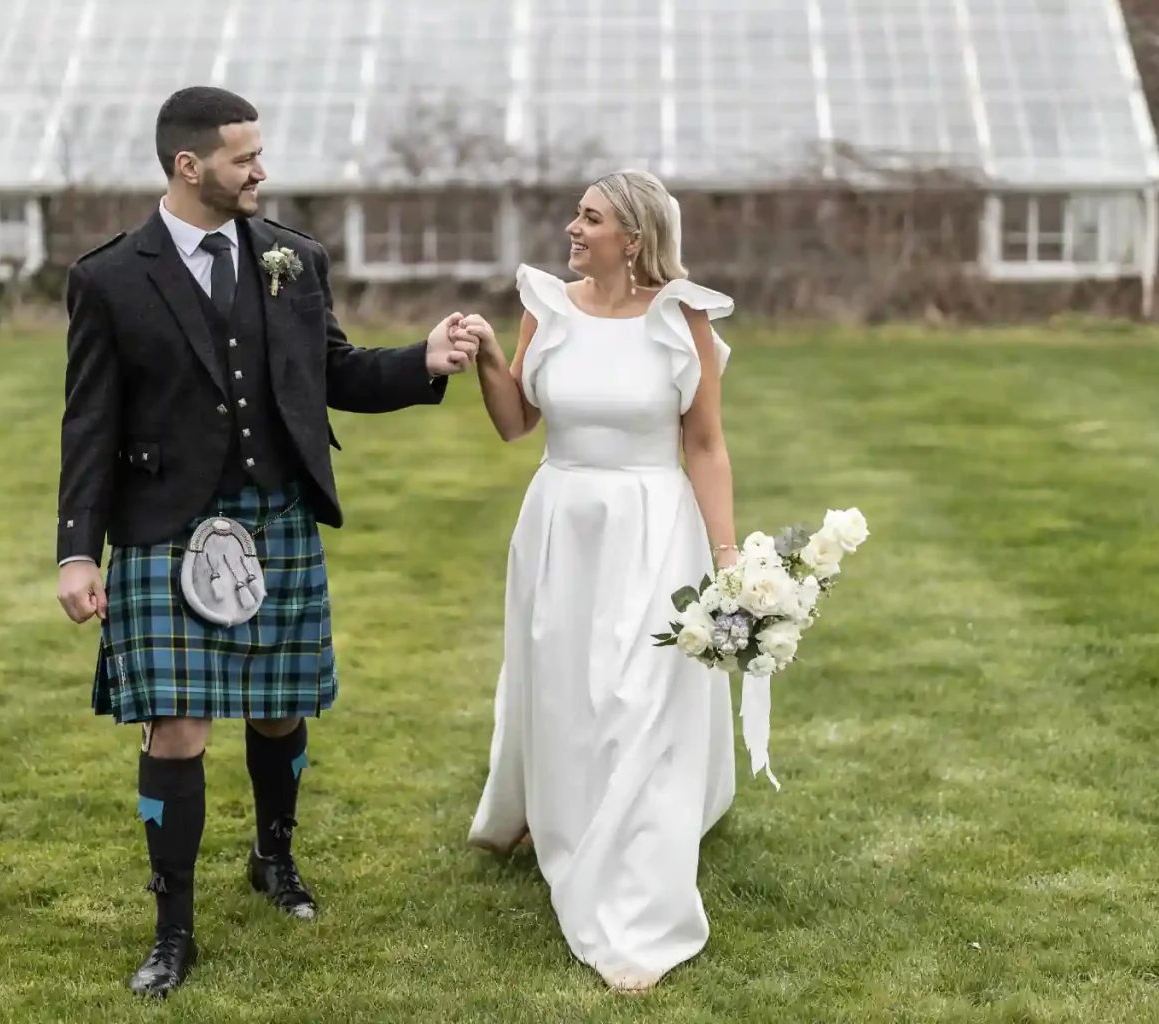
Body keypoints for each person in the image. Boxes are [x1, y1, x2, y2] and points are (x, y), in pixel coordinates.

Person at [54, 85, 477, 999]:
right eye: (246, 157)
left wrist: (422, 362)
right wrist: (77, 552)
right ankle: (173, 930)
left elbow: (333, 373)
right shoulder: (110, 278)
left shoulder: (293, 258)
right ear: (189, 165)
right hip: (167, 527)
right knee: (177, 726)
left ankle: (273, 859)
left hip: (275, 512)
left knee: (280, 706)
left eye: (260, 153)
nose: (262, 170)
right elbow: (88, 423)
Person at [456, 170, 741, 992]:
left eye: (591, 218)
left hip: (653, 526)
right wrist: (483, 360)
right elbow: (518, 424)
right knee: (563, 687)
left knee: (637, 696)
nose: (572, 229)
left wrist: (726, 561)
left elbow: (707, 446)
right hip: (560, 522)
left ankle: (637, 910)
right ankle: (551, 811)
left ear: (637, 237)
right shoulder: (546, 306)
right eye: (577, 216)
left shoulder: (682, 317)